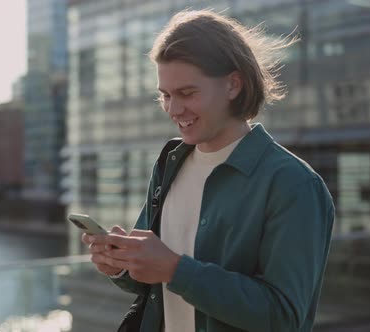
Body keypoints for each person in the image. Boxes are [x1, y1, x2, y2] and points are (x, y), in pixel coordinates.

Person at [82, 9, 335, 332]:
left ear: (232, 85)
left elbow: (284, 317)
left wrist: (176, 270)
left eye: (187, 93)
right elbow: (152, 280)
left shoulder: (293, 184)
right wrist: (120, 265)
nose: (174, 109)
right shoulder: (169, 163)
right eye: (166, 95)